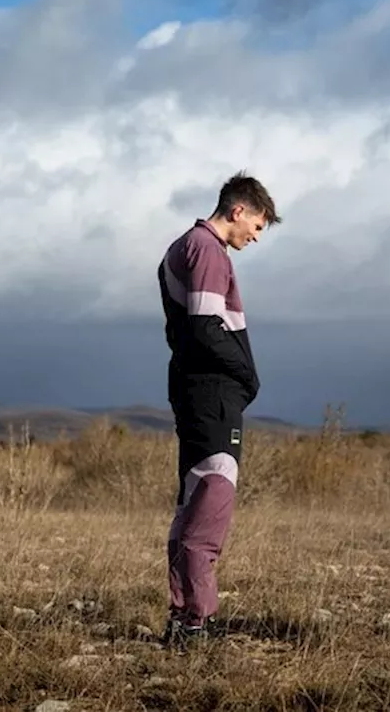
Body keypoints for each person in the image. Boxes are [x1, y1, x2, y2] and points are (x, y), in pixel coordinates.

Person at [156, 171, 281, 649]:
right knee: (211, 500)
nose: (255, 236)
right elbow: (207, 328)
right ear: (238, 210)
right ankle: (195, 622)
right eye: (257, 226)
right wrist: (249, 376)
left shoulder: (183, 247)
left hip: (196, 391)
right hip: (211, 396)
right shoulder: (206, 249)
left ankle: (184, 615)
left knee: (193, 502)